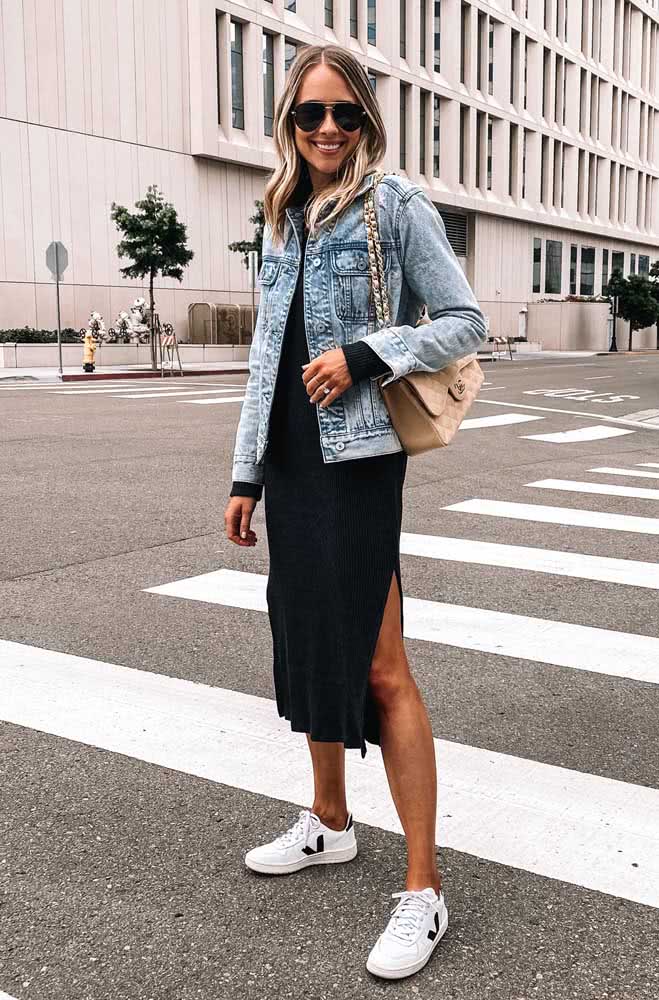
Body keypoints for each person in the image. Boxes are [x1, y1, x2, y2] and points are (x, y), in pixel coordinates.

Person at [224, 44, 487, 981]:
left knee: (380, 667)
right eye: (309, 115)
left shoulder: (394, 204)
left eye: (344, 114)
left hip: (358, 462)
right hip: (292, 464)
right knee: (303, 646)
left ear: (367, 121)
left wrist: (368, 354)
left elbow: (464, 320)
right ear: (288, 124)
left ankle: (424, 889)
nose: (327, 129)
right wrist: (245, 472)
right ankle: (330, 821)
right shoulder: (282, 214)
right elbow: (266, 355)